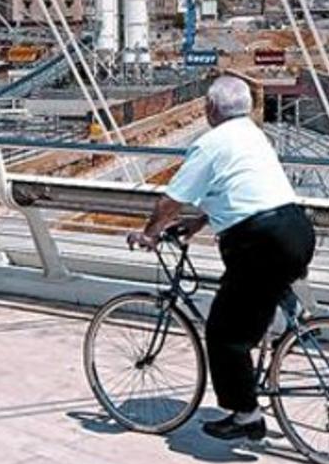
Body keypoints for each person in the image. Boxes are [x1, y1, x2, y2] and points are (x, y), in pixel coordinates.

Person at [129, 75, 315, 441]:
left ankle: (246, 414)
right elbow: (239, 190)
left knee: (223, 332)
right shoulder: (253, 134)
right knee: (254, 303)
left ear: (210, 109)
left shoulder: (210, 144)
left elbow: (171, 200)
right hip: (296, 229)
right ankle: (287, 335)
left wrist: (150, 233)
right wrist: (200, 222)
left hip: (259, 244)